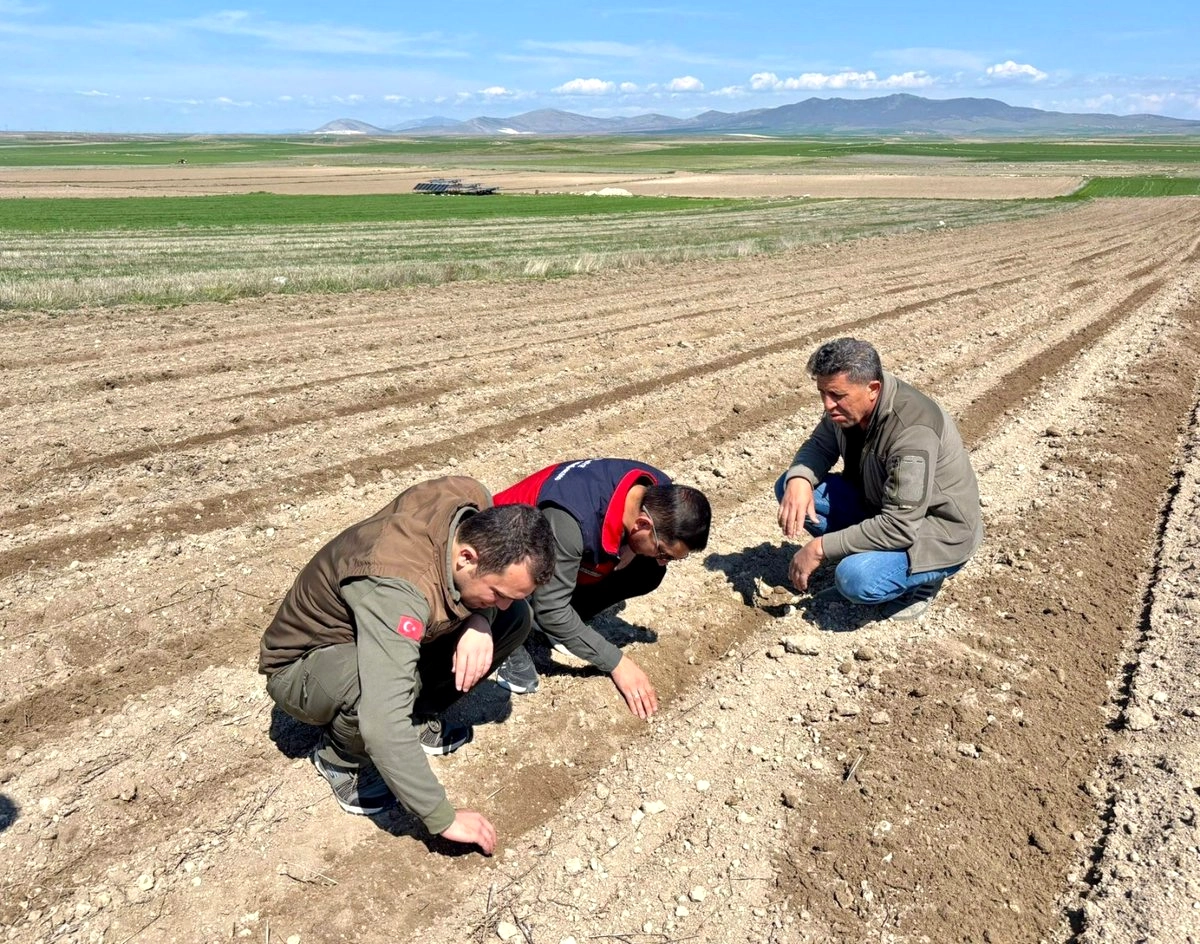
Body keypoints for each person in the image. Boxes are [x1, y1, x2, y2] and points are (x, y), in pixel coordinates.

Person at [259, 476, 555, 855]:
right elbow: (382, 720)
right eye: (495, 593)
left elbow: (493, 603)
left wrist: (482, 619)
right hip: (304, 664)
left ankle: (419, 713)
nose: (498, 601)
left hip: (376, 630)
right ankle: (340, 760)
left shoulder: (473, 502)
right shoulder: (397, 588)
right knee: (377, 693)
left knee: (514, 618)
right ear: (467, 557)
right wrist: (442, 816)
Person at [777, 338, 983, 620]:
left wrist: (821, 548)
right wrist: (799, 479)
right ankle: (866, 552)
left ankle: (924, 579)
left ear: (873, 389)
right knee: (791, 487)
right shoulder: (849, 407)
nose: (827, 404)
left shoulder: (912, 431)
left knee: (855, 579)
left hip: (934, 532)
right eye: (822, 393)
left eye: (836, 395)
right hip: (880, 504)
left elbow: (899, 526)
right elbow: (820, 445)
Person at [490, 458, 711, 719]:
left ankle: (565, 626)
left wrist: (630, 546)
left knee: (649, 571)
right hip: (502, 556)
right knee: (545, 609)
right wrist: (616, 662)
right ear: (642, 525)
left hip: (559, 547)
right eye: (663, 552)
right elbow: (551, 608)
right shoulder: (573, 520)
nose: (664, 560)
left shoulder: (656, 489)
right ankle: (502, 632)